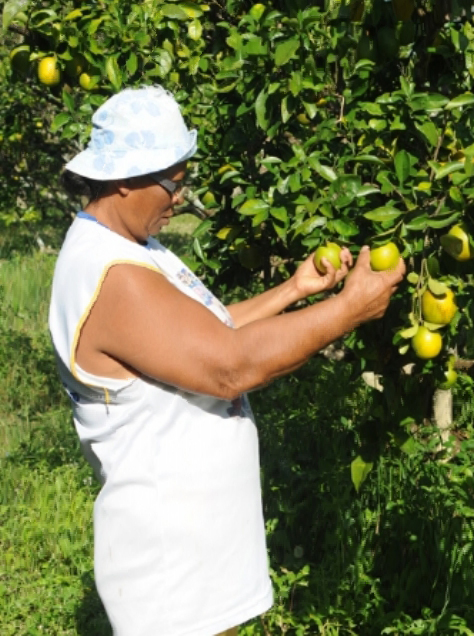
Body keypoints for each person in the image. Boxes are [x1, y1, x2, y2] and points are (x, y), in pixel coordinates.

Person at [48, 86, 405, 636]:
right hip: (170, 562)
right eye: (173, 182)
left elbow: (203, 335)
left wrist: (293, 289)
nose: (179, 197)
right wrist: (348, 311)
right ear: (123, 178)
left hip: (197, 551)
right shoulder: (111, 275)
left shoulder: (132, 248)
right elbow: (228, 368)